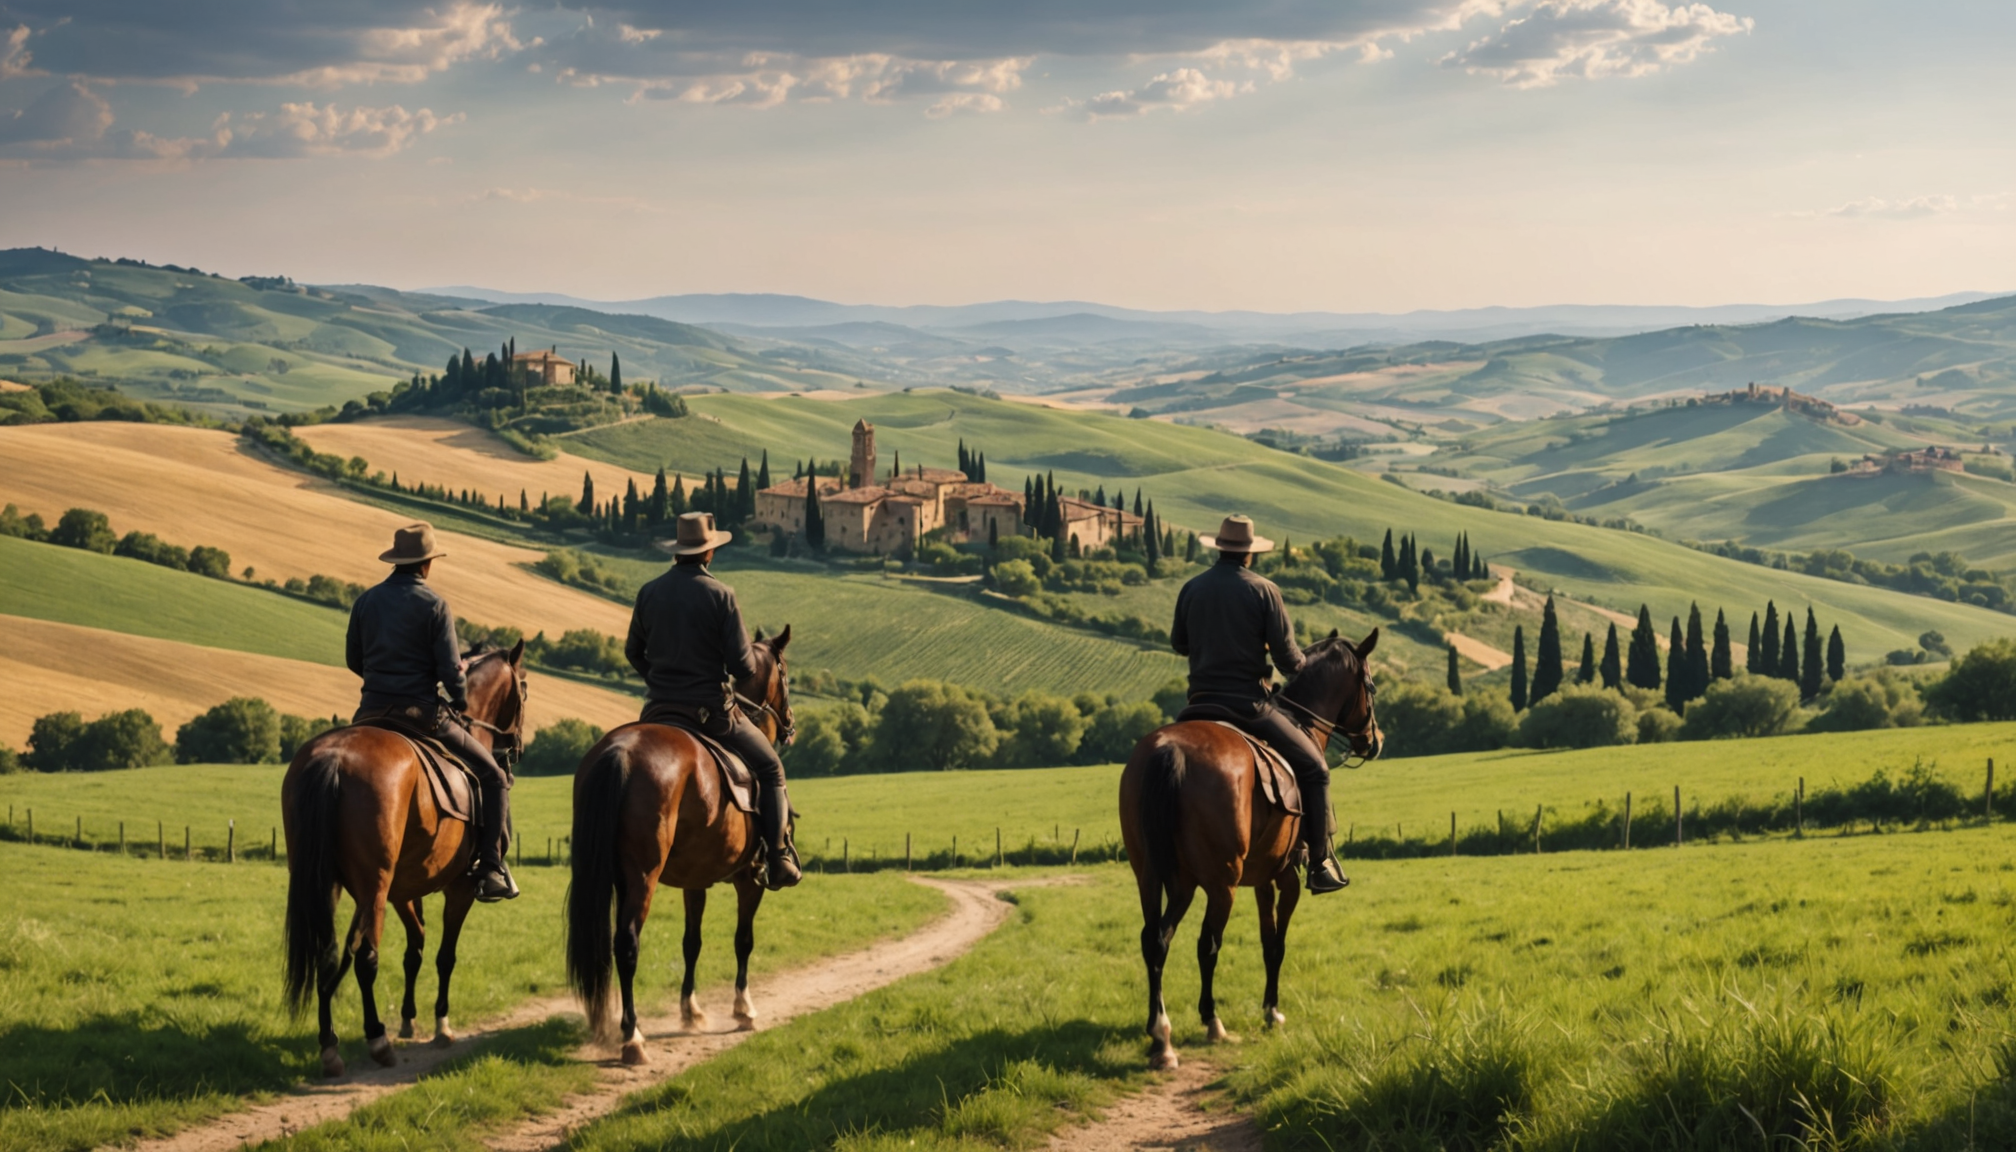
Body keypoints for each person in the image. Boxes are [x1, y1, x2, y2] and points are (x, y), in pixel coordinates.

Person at [1169, 514, 1348, 894]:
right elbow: (1289, 662)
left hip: (1198, 704)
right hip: (1248, 705)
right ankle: (1319, 863)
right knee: (1316, 770)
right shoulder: (1265, 591)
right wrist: (1302, 660)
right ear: (1250, 554)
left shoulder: (1192, 588)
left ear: (1219, 547)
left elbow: (1179, 644)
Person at [625, 511, 801, 890]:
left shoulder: (649, 592)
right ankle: (778, 856)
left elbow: (633, 652)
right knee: (771, 769)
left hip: (657, 709)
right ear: (709, 554)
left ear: (677, 551)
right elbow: (743, 669)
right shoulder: (721, 595)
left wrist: (659, 680)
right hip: (710, 713)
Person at [347, 522, 518, 902]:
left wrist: (381, 683)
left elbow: (353, 660)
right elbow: (449, 671)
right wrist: (458, 699)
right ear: (426, 564)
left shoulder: (366, 602)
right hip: (420, 714)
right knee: (492, 776)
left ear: (396, 561)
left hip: (369, 712)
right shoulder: (435, 605)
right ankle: (490, 866)